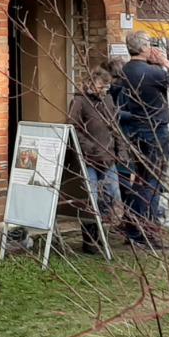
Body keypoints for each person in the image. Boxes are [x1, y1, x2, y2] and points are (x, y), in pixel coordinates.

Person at [111, 34, 169, 251]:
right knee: (152, 184)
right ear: (144, 48)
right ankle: (149, 233)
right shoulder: (154, 72)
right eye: (150, 45)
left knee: (138, 183)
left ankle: (133, 230)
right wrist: (166, 63)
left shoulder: (125, 71)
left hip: (132, 132)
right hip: (155, 132)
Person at [68, 67, 126, 255]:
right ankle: (90, 239)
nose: (103, 91)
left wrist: (122, 151)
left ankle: (104, 232)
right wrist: (88, 147)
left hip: (109, 157)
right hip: (89, 158)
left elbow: (115, 127)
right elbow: (72, 127)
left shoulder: (108, 100)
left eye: (106, 87)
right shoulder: (79, 101)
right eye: (100, 87)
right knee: (90, 199)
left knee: (112, 195)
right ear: (90, 84)